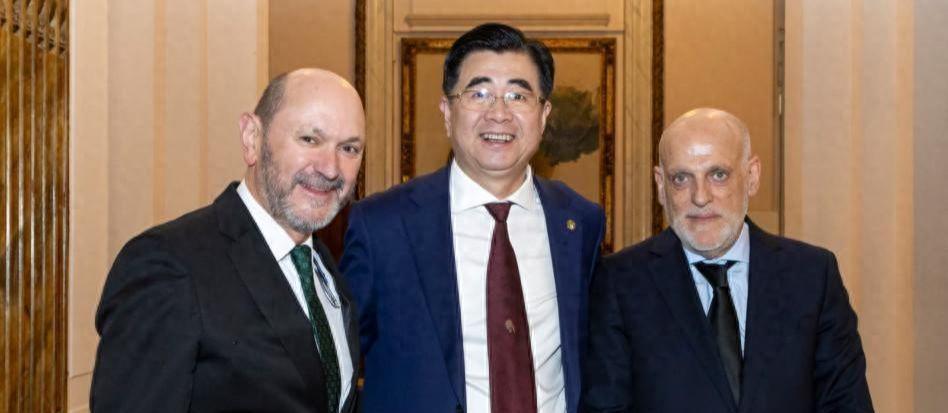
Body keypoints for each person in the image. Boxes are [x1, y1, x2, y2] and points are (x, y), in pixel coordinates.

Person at [340, 23, 605, 413]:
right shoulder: (382, 225)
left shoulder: (580, 222)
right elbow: (336, 366)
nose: (498, 114)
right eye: (479, 94)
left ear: (544, 115)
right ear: (447, 112)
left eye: (518, 95)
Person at [91, 68, 364, 413]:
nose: (330, 168)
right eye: (310, 139)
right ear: (252, 138)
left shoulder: (325, 271)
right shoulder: (170, 266)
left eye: (349, 148)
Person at [583, 108, 873, 412]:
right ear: (660, 186)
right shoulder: (620, 282)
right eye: (681, 178)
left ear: (752, 176)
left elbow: (847, 405)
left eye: (718, 175)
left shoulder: (812, 277)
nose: (700, 197)